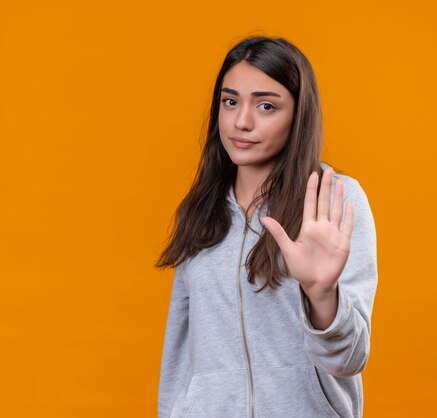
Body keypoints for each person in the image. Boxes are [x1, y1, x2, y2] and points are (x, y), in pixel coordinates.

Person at [155, 35, 378, 418]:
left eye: (266, 105)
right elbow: (178, 357)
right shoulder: (201, 210)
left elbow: (349, 360)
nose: (242, 121)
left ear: (298, 115)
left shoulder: (333, 200)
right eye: (230, 102)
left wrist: (321, 294)